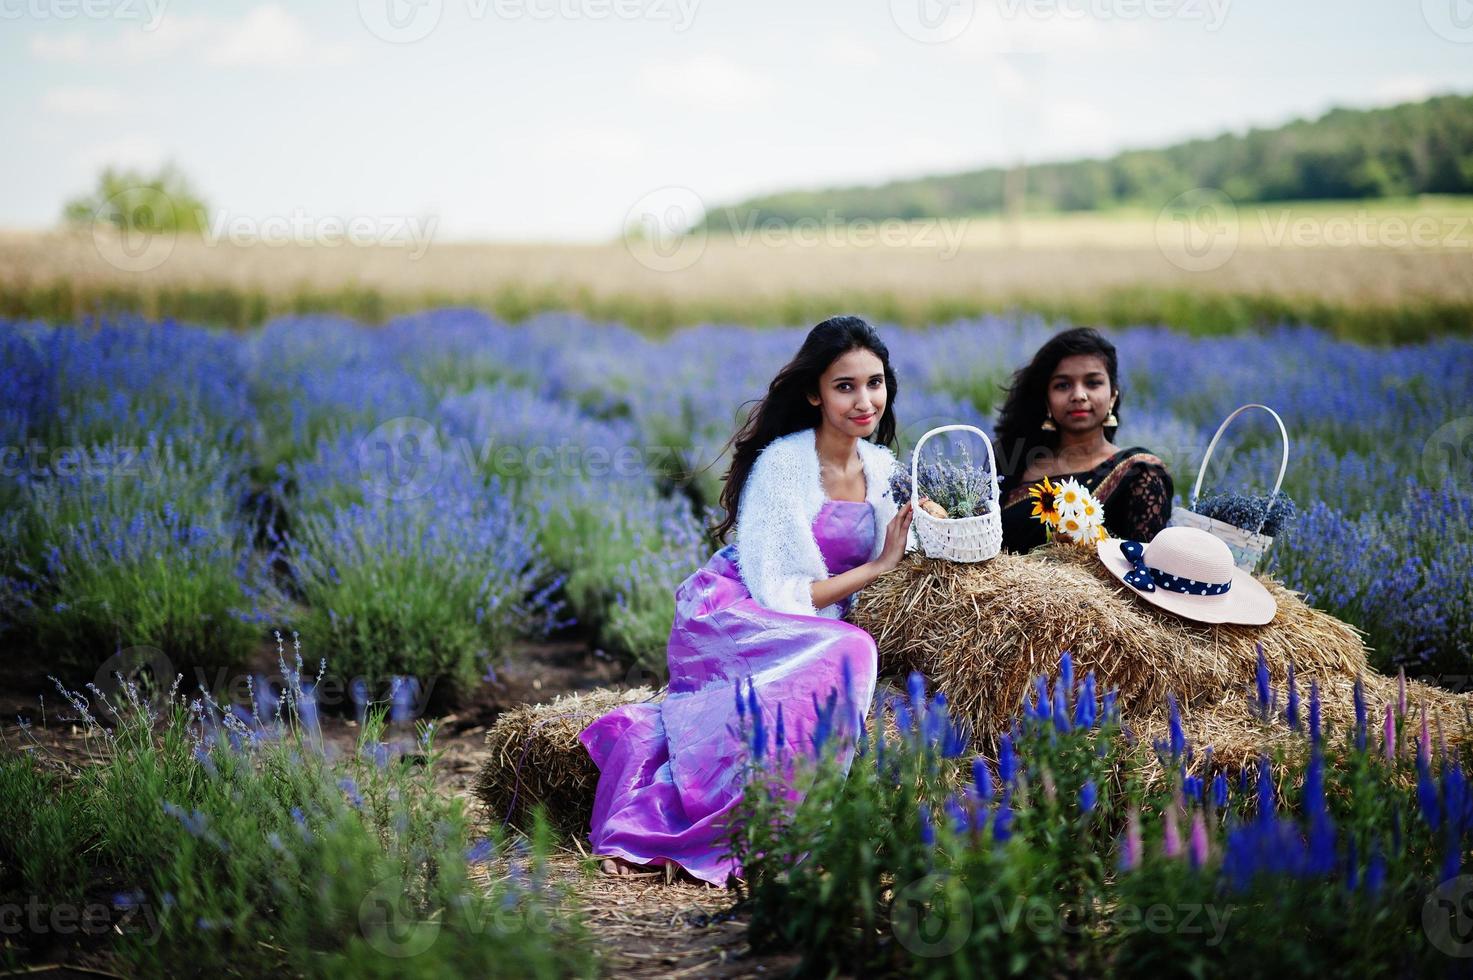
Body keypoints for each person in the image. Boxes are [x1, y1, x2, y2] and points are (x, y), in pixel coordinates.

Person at [577, 315, 920, 887]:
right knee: (852, 651)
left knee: (848, 649)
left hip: (819, 608)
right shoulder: (784, 466)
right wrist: (876, 567)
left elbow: (897, 555)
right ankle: (767, 827)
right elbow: (782, 592)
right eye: (845, 387)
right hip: (740, 607)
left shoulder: (882, 468)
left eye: (875, 383)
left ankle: (788, 813)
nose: (866, 401)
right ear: (813, 393)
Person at [992, 327, 1174, 554]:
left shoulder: (1138, 473)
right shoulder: (1012, 462)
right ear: (1047, 400)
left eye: (1093, 382)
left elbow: (1143, 568)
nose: (1079, 395)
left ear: (1112, 395)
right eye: (1063, 385)